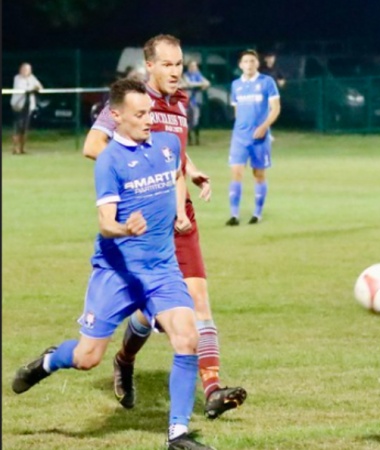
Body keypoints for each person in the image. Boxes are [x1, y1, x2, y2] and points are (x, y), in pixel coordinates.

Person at [12, 79, 214, 450]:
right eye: (140, 114)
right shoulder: (109, 162)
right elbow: (105, 222)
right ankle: (47, 362)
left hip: (161, 268)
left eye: (150, 111)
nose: (148, 119)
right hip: (117, 273)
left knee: (188, 338)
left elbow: (175, 170)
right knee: (87, 357)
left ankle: (178, 435)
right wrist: (125, 227)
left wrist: (182, 204)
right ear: (116, 116)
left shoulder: (166, 144)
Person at [83, 34, 247, 419]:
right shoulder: (133, 102)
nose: (176, 72)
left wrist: (191, 170)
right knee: (147, 308)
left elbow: (172, 150)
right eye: (168, 65)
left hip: (180, 213)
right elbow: (93, 145)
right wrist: (135, 176)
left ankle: (211, 389)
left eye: (179, 64)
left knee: (199, 301)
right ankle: (124, 359)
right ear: (149, 66)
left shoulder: (181, 102)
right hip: (144, 219)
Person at [226, 49, 281, 226]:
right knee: (236, 173)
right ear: (240, 65)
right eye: (245, 62)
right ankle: (234, 215)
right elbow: (237, 110)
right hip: (240, 137)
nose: (249, 64)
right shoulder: (236, 85)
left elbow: (276, 108)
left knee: (258, 174)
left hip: (260, 138)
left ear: (257, 63)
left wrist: (264, 127)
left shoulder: (267, 82)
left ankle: (257, 213)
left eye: (252, 61)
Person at [10, 62, 44, 155]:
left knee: (25, 128)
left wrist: (36, 87)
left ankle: (22, 148)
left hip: (28, 106)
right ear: (21, 70)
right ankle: (15, 148)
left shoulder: (32, 78)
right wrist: (33, 87)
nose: (27, 71)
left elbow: (40, 87)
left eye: (29, 70)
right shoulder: (17, 78)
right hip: (18, 106)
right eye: (25, 69)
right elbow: (25, 89)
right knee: (17, 127)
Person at [182, 60, 211, 146]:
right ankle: (190, 140)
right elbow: (188, 84)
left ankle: (197, 139)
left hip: (195, 101)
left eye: (195, 66)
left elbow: (207, 83)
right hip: (187, 102)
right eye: (192, 66)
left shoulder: (198, 74)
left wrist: (197, 85)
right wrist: (199, 85)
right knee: (188, 120)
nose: (194, 68)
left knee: (196, 121)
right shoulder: (186, 75)